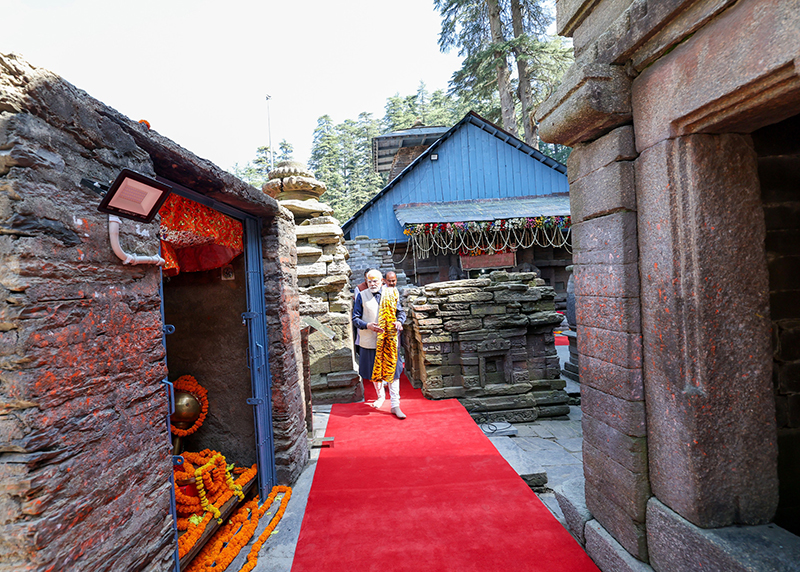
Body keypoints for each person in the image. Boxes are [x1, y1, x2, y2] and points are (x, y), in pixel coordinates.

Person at [353, 269, 407, 419]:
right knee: (374, 373)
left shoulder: (391, 293)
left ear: (382, 280)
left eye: (375, 281)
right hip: (370, 341)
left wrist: (399, 322)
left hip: (389, 339)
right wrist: (367, 325)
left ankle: (395, 405)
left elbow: (401, 313)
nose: (372, 284)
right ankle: (380, 396)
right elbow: (355, 319)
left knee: (394, 373)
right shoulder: (361, 296)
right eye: (369, 281)